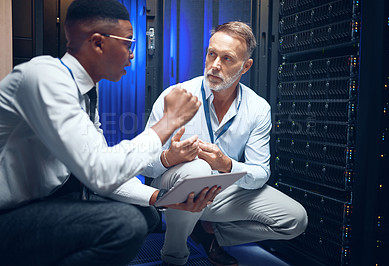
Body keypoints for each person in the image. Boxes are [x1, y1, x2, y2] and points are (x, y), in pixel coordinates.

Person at [0, 0, 220, 265]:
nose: (132, 54)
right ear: (97, 42)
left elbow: (105, 166)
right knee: (125, 224)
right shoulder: (43, 77)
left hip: (46, 201)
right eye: (129, 43)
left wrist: (162, 199)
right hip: (10, 213)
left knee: (148, 214)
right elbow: (100, 173)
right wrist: (168, 122)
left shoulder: (85, 91)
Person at [143, 21, 308, 266]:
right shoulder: (175, 95)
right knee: (197, 170)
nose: (215, 65)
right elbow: (143, 165)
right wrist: (170, 158)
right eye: (212, 54)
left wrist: (227, 164)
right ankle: (174, 255)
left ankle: (208, 234)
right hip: (173, 191)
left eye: (227, 59)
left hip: (222, 193)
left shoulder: (258, 109)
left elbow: (261, 172)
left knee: (295, 220)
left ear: (245, 66)